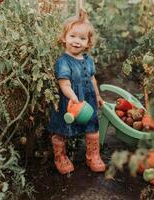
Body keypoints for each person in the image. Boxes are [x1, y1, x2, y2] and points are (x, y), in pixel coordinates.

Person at [48, 9, 106, 175]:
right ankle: (60, 157)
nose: (76, 41)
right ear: (64, 38)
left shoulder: (88, 60)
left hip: (88, 101)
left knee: (92, 127)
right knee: (62, 129)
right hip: (70, 102)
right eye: (72, 36)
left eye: (82, 38)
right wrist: (74, 98)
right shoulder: (63, 62)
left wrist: (97, 95)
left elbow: (93, 79)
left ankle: (92, 155)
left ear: (88, 42)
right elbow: (64, 84)